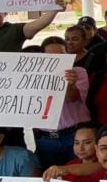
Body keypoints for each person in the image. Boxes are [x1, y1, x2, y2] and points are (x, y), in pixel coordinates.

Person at [35, 37, 91, 169]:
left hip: (74, 136)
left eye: (61, 55)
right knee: (51, 177)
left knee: (79, 174)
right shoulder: (34, 77)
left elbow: (73, 97)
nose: (56, 60)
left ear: (68, 55)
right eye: (50, 56)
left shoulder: (78, 73)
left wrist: (70, 84)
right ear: (42, 57)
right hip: (46, 139)